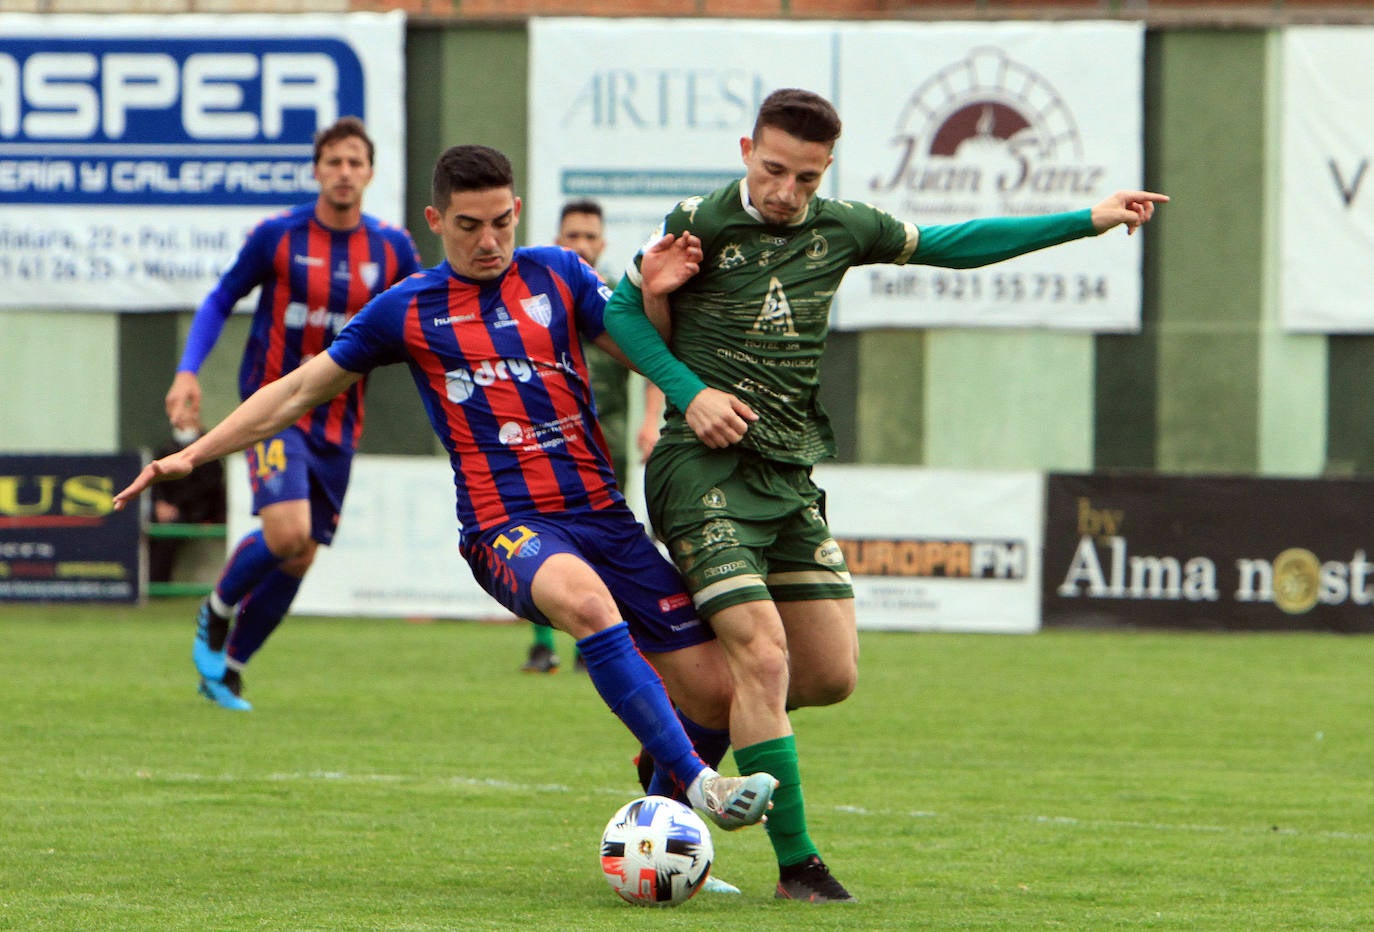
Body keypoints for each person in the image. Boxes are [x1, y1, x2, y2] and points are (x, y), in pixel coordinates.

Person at [604, 87, 1169, 902]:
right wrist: (689, 392)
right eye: (773, 170)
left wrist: (1086, 218)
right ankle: (799, 868)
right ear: (744, 151)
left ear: (825, 171)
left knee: (829, 673)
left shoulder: (844, 227)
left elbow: (955, 242)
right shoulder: (698, 220)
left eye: (806, 177)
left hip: (787, 474)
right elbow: (621, 310)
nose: (787, 191)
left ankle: (681, 740)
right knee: (762, 656)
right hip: (700, 467)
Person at [116, 143, 778, 836]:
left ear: (517, 210)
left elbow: (651, 352)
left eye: (500, 222)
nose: (488, 241)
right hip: (507, 527)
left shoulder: (558, 276)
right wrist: (191, 454)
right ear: (435, 219)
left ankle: (660, 838)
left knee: (713, 689)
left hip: (604, 518)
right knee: (587, 604)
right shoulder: (407, 309)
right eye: (468, 225)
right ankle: (702, 787)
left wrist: (653, 297)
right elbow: (298, 390)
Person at [164, 116, 423, 711]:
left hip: (339, 417)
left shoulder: (392, 247)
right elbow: (220, 299)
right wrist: (186, 371)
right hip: (274, 406)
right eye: (333, 161)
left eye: (355, 162)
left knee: (301, 553)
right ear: (316, 170)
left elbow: (423, 319)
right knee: (288, 532)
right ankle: (217, 610)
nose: (343, 172)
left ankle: (227, 669)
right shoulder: (277, 236)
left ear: (371, 173)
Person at [520, 199, 665, 675]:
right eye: (572, 236)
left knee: (604, 535)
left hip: (609, 433)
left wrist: (650, 423)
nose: (581, 244)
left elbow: (651, 363)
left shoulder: (617, 298)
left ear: (602, 244)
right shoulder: (534, 299)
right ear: (558, 242)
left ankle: (595, 639)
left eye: (589, 237)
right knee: (540, 533)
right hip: (547, 436)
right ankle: (544, 645)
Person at [148, 424, 227, 584]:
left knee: (170, 532)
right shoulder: (166, 448)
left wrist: (210, 517)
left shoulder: (210, 453)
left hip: (194, 513)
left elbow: (212, 489)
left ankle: (158, 584)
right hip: (169, 512)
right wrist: (160, 504)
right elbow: (156, 483)